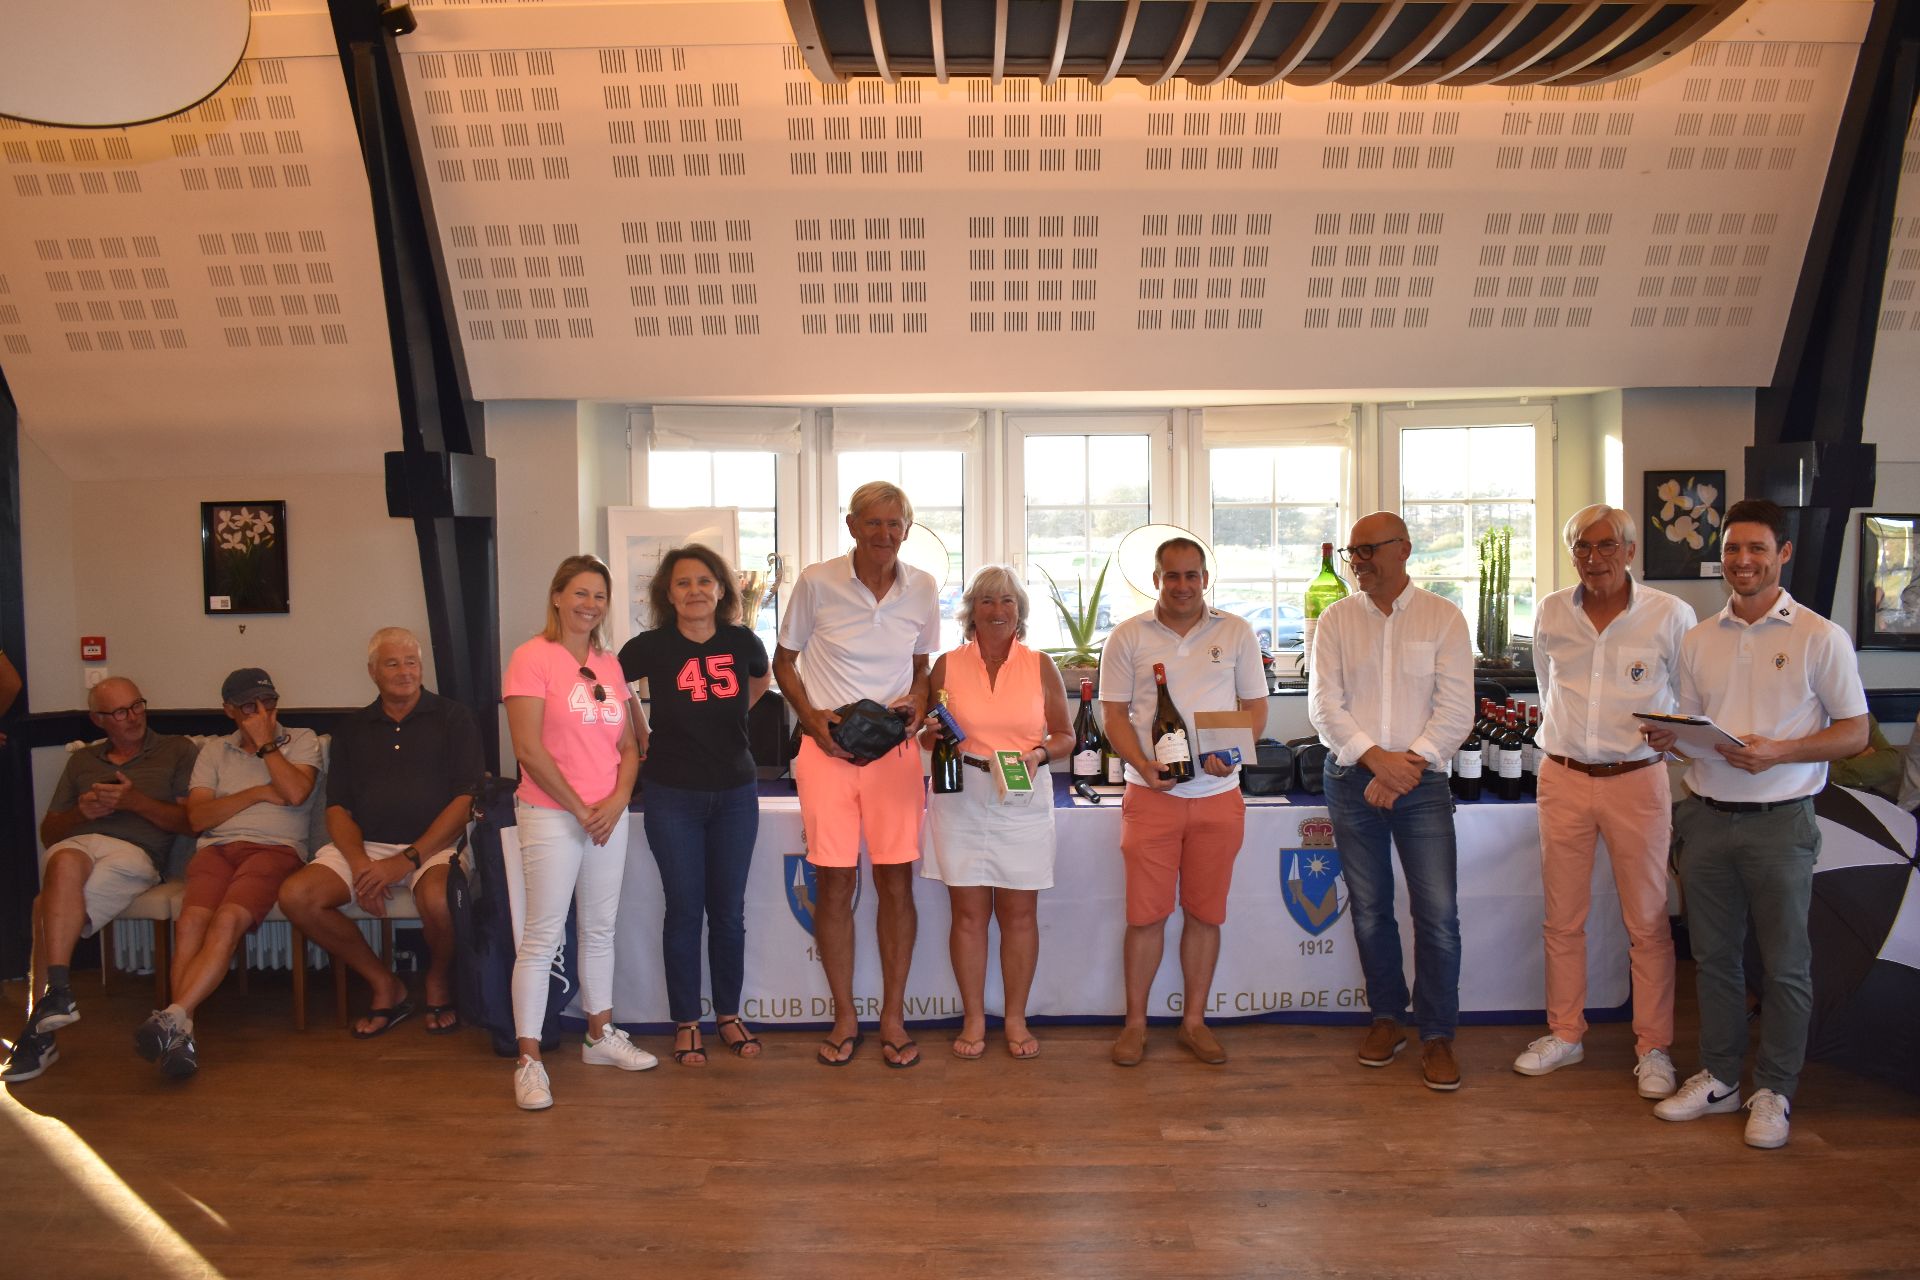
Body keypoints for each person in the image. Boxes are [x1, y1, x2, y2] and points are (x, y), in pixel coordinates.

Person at [1644, 498, 1868, 1149]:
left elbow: (1855, 732)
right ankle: (1719, 1078)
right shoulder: (1698, 639)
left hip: (1781, 825)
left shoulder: (1819, 637)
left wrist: (1781, 751)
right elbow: (1693, 727)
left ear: (1783, 554)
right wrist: (1672, 740)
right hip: (1706, 820)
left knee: (1785, 966)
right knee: (1714, 960)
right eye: (1733, 549)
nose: (1742, 561)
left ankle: (1774, 1089)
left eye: (1757, 549)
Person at [1513, 505, 1695, 1099]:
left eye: (1606, 545)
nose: (1594, 558)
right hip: (1563, 777)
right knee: (1563, 919)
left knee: (1648, 922)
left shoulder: (1671, 615)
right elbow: (1548, 689)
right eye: (1582, 547)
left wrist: (1672, 737)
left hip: (1637, 781)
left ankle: (1654, 1048)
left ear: (1630, 551)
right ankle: (1565, 1033)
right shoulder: (1551, 612)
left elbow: (1690, 700)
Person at [774, 481, 939, 1069]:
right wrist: (811, 719)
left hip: (895, 756)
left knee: (897, 884)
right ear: (851, 526)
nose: (884, 534)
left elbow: (922, 667)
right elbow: (783, 661)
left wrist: (919, 701)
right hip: (828, 754)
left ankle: (892, 1018)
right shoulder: (817, 581)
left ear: (907, 531)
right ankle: (845, 1017)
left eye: (895, 524)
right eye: (873, 522)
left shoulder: (923, 587)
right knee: (836, 884)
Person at [1307, 512, 1474, 1091]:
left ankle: (1438, 1034)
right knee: (1370, 909)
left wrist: (1406, 767)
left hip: (1421, 783)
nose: (1358, 562)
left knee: (1438, 914)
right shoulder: (1336, 619)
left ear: (1403, 549)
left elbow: (1456, 710)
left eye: (1368, 550)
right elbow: (1324, 707)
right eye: (1352, 552)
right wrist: (1377, 760)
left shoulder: (1443, 617)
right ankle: (1386, 1018)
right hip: (1352, 779)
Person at [1099, 537, 1267, 1067]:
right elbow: (1113, 715)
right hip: (1151, 797)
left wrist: (1234, 756)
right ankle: (1135, 1025)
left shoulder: (1236, 631)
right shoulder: (1128, 636)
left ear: (1205, 579)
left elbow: (1255, 705)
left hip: (1218, 798)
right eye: (1171, 576)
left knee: (1204, 914)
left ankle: (1194, 1022)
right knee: (1145, 918)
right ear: (1156, 580)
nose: (1182, 586)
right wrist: (1142, 764)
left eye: (1192, 575)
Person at [276, 628, 483, 1037]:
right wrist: (360, 866)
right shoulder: (351, 729)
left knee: (440, 901)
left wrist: (405, 860)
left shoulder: (454, 718)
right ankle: (384, 983)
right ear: (373, 671)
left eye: (412, 662)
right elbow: (337, 808)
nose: (405, 671)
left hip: (435, 845)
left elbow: (465, 802)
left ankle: (437, 979)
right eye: (392, 663)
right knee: (296, 897)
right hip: (366, 846)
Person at [504, 554, 654, 1110]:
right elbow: (528, 749)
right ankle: (529, 1061)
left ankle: (599, 1035)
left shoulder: (609, 664)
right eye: (581, 593)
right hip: (551, 812)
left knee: (599, 928)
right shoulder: (531, 657)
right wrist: (579, 808)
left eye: (599, 596)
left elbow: (629, 746)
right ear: (558, 596)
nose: (590, 605)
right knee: (542, 936)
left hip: (606, 815)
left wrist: (615, 802)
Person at [618, 545, 772, 1065]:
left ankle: (728, 1014)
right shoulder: (650, 646)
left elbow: (760, 677)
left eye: (705, 581)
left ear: (722, 589)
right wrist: (640, 730)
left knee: (728, 912)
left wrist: (735, 717)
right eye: (683, 583)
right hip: (672, 795)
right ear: (668, 593)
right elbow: (611, 686)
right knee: (684, 911)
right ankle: (686, 1020)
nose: (695, 591)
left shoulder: (742, 640)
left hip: (735, 794)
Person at [3, 678, 196, 1082]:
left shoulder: (176, 749)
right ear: (98, 720)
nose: (134, 717)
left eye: (138, 705)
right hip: (79, 845)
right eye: (121, 712)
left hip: (136, 853)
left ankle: (42, 1026)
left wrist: (134, 802)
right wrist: (80, 814)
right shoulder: (82, 761)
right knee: (63, 859)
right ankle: (56, 995)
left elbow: (188, 822)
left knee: (43, 906)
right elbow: (50, 833)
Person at [133, 669, 322, 1079]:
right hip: (216, 849)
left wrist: (266, 745)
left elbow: (294, 792)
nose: (262, 714)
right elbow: (198, 818)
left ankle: (173, 1017)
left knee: (227, 920)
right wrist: (257, 793)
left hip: (274, 849)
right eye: (250, 707)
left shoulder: (302, 739)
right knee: (190, 923)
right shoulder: (215, 751)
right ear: (229, 711)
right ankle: (181, 1033)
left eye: (269, 704)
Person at [919, 566, 1071, 1061]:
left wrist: (1039, 754)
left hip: (1021, 794)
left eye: (1007, 601)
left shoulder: (1040, 665)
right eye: (986, 601)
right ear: (972, 612)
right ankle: (973, 1017)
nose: (997, 610)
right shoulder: (946, 666)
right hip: (960, 794)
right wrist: (929, 735)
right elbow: (928, 737)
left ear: (1019, 612)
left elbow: (1066, 737)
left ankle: (1015, 1018)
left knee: (1019, 916)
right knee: (967, 915)